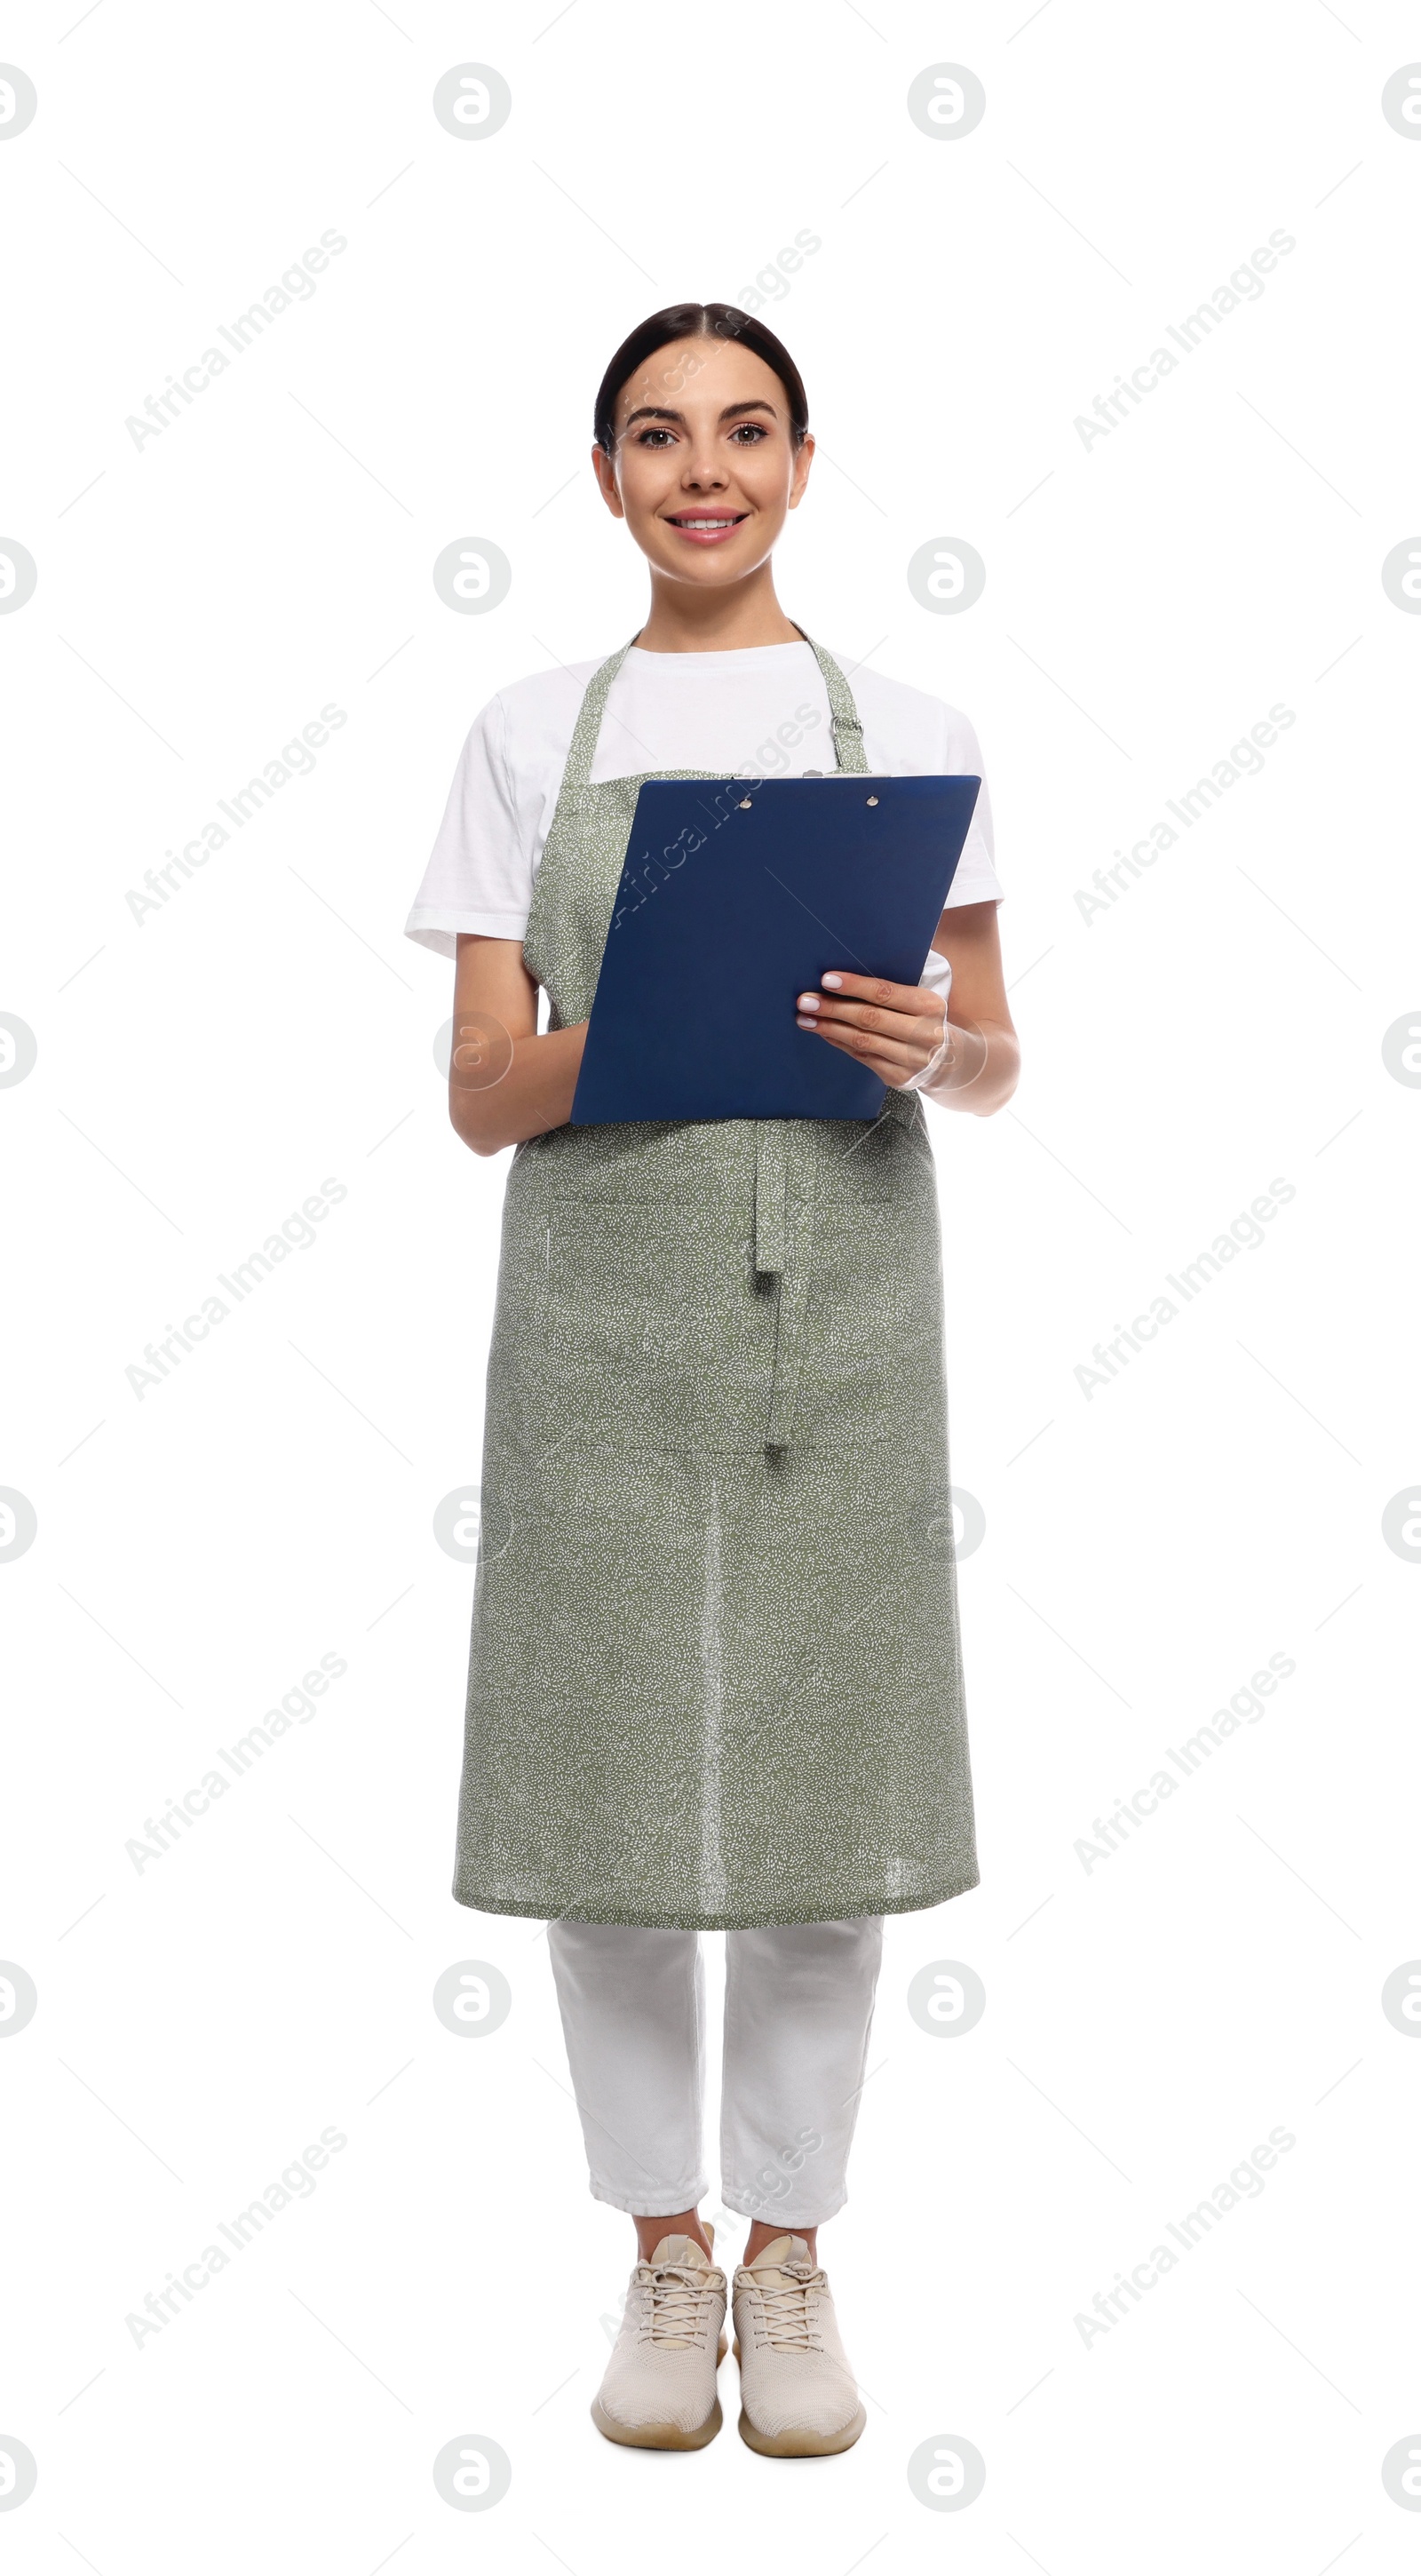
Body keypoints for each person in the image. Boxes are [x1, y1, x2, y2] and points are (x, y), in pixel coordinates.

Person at [405, 302, 1020, 2458]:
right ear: (602, 478)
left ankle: (790, 2249)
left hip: (844, 1312)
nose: (704, 469)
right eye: (658, 435)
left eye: (744, 430)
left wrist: (925, 1044)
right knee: (602, 1796)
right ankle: (659, 2247)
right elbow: (482, 1098)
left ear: (803, 459)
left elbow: (1000, 1054)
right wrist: (660, 1012)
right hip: (596, 1316)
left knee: (820, 1802)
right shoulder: (516, 734)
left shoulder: (910, 726)